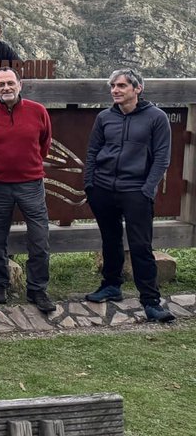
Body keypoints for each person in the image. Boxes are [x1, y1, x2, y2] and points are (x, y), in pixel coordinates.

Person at [83, 68, 175, 322]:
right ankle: (111, 285)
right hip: (102, 188)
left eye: (121, 86)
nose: (115, 90)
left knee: (141, 246)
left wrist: (147, 189)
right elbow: (92, 152)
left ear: (137, 89)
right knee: (110, 240)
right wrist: (89, 184)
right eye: (113, 86)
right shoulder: (104, 117)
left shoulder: (156, 118)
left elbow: (162, 158)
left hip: (136, 190)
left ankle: (151, 301)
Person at [0, 68, 56, 312]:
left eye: (10, 83)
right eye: (1, 84)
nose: (6, 88)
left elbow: (44, 144)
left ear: (20, 85)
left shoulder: (38, 111)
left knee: (39, 238)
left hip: (31, 184)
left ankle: (37, 289)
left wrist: (28, 165)